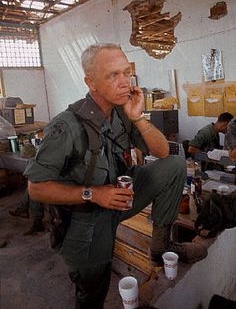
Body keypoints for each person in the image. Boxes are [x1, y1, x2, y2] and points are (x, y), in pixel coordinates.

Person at [25, 43, 207, 309]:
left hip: (121, 199)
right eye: (113, 75)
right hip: (85, 217)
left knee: (175, 165)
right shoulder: (66, 126)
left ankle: (160, 247)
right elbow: (36, 188)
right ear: (91, 82)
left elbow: (162, 152)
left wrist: (139, 119)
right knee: (93, 287)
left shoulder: (122, 113)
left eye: (126, 73)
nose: (125, 82)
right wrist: (93, 194)